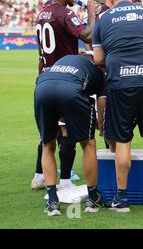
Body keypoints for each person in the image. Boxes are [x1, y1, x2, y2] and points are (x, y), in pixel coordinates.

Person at [92, 0, 143, 213]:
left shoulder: (103, 19)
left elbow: (97, 59)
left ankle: (121, 198)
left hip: (119, 84)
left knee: (123, 140)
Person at [31, 0, 97, 191]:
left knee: (49, 132)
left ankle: (40, 175)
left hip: (45, 76)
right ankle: (66, 181)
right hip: (65, 78)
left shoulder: (43, 12)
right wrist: (91, 13)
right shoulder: (65, 13)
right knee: (68, 130)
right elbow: (87, 35)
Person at [34, 54, 106, 216]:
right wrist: (101, 126)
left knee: (47, 144)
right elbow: (101, 101)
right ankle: (93, 198)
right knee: (88, 144)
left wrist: (63, 119)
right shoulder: (97, 71)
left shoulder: (61, 62)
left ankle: (52, 201)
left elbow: (46, 85)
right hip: (71, 91)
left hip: (42, 90)